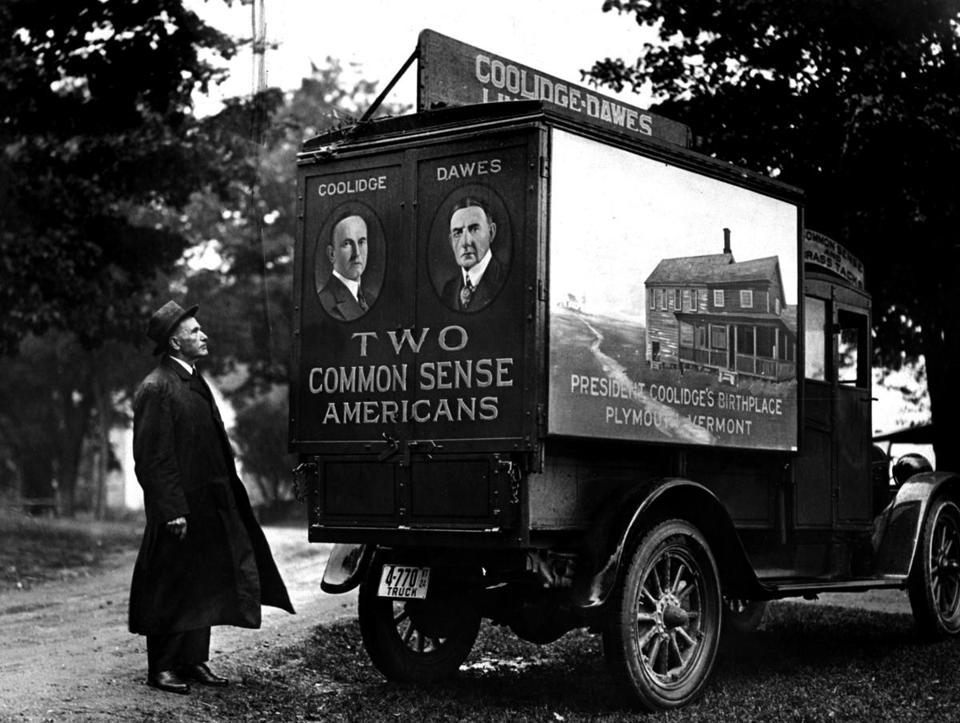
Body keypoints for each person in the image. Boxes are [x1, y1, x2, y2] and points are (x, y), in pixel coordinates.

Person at [128, 300, 294, 695]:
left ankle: (193, 661)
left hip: (207, 501)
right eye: (195, 332)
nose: (204, 336)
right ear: (174, 341)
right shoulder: (157, 388)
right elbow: (152, 458)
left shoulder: (192, 380)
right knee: (171, 584)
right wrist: (171, 511)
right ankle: (163, 667)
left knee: (203, 581)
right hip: (179, 509)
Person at [441, 197, 505, 312]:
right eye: (458, 233)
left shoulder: (505, 281)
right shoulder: (449, 290)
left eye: (474, 229)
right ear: (451, 242)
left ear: (491, 232)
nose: (465, 242)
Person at [318, 212, 376, 320]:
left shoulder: (371, 299)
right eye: (347, 243)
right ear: (332, 254)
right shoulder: (325, 304)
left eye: (361, 242)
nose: (357, 253)